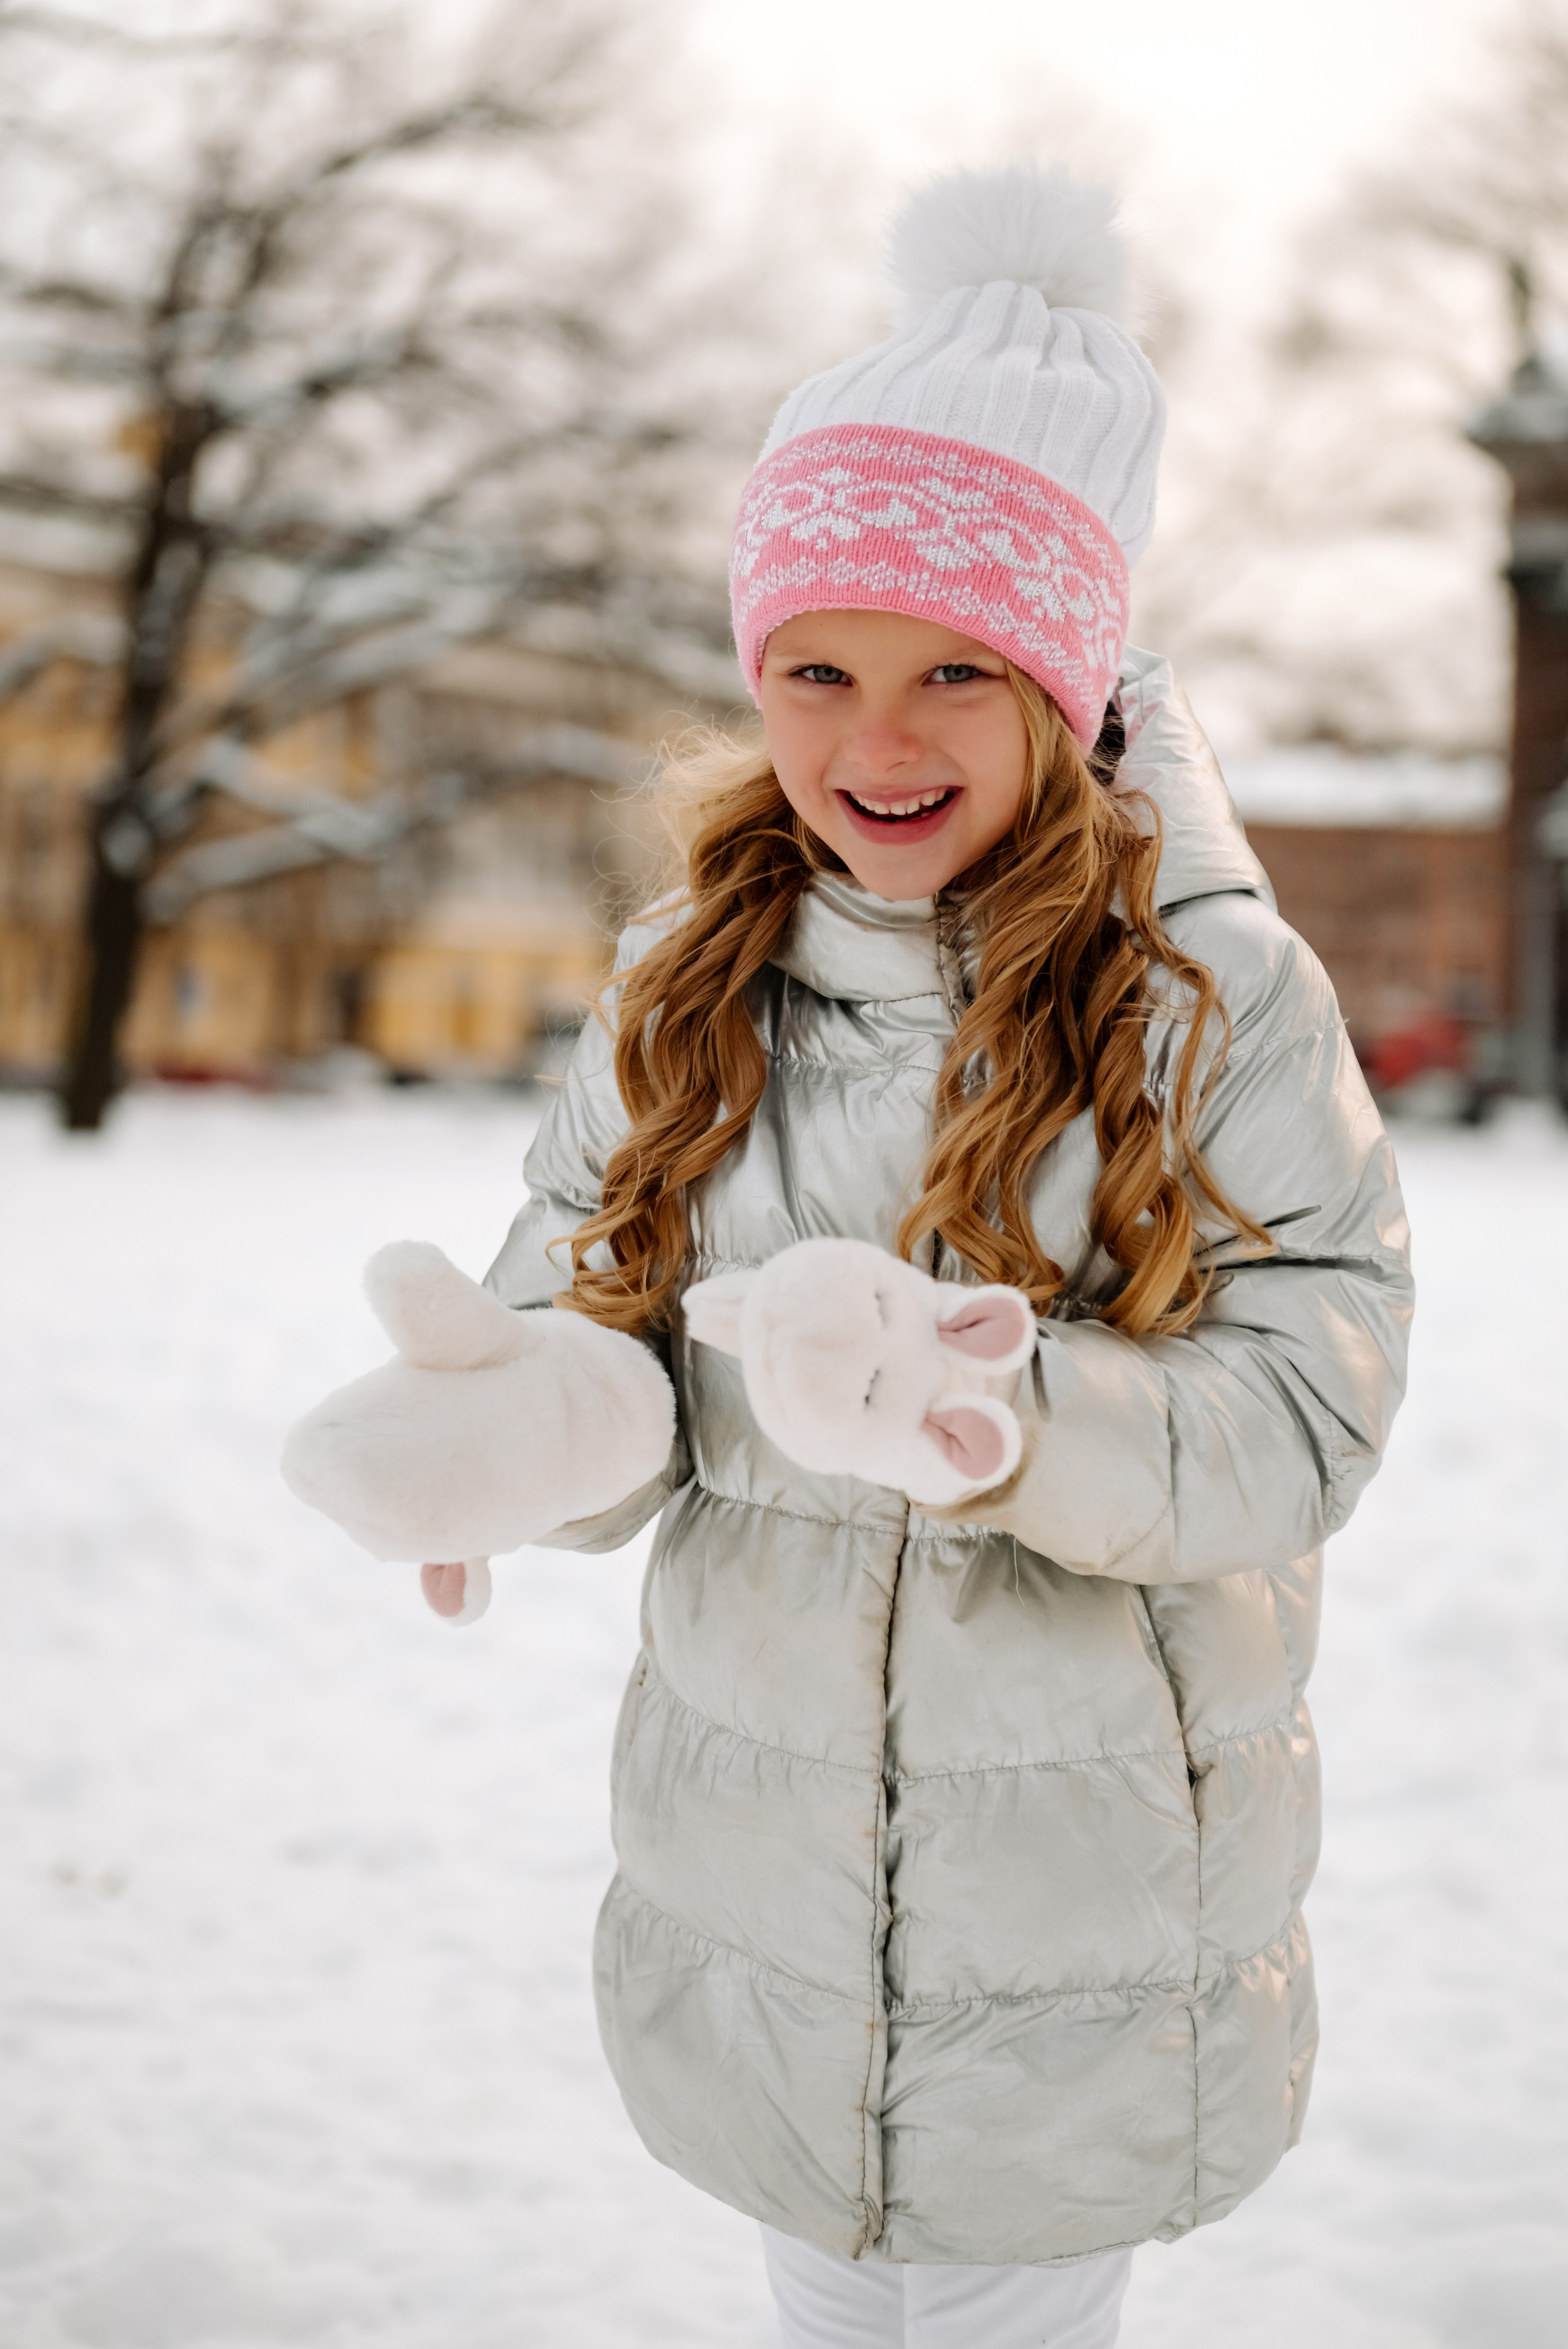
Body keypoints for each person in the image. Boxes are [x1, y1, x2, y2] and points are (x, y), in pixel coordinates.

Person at [288, 165, 1414, 2349]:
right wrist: (529, 1414)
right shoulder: (682, 982)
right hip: (763, 1888)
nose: (871, 740)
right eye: (814, 666)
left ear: (1066, 679)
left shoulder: (1212, 1001)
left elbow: (1307, 1407)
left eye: (950, 673)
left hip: (1080, 1906)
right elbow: (607, 1328)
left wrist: (992, 1420)